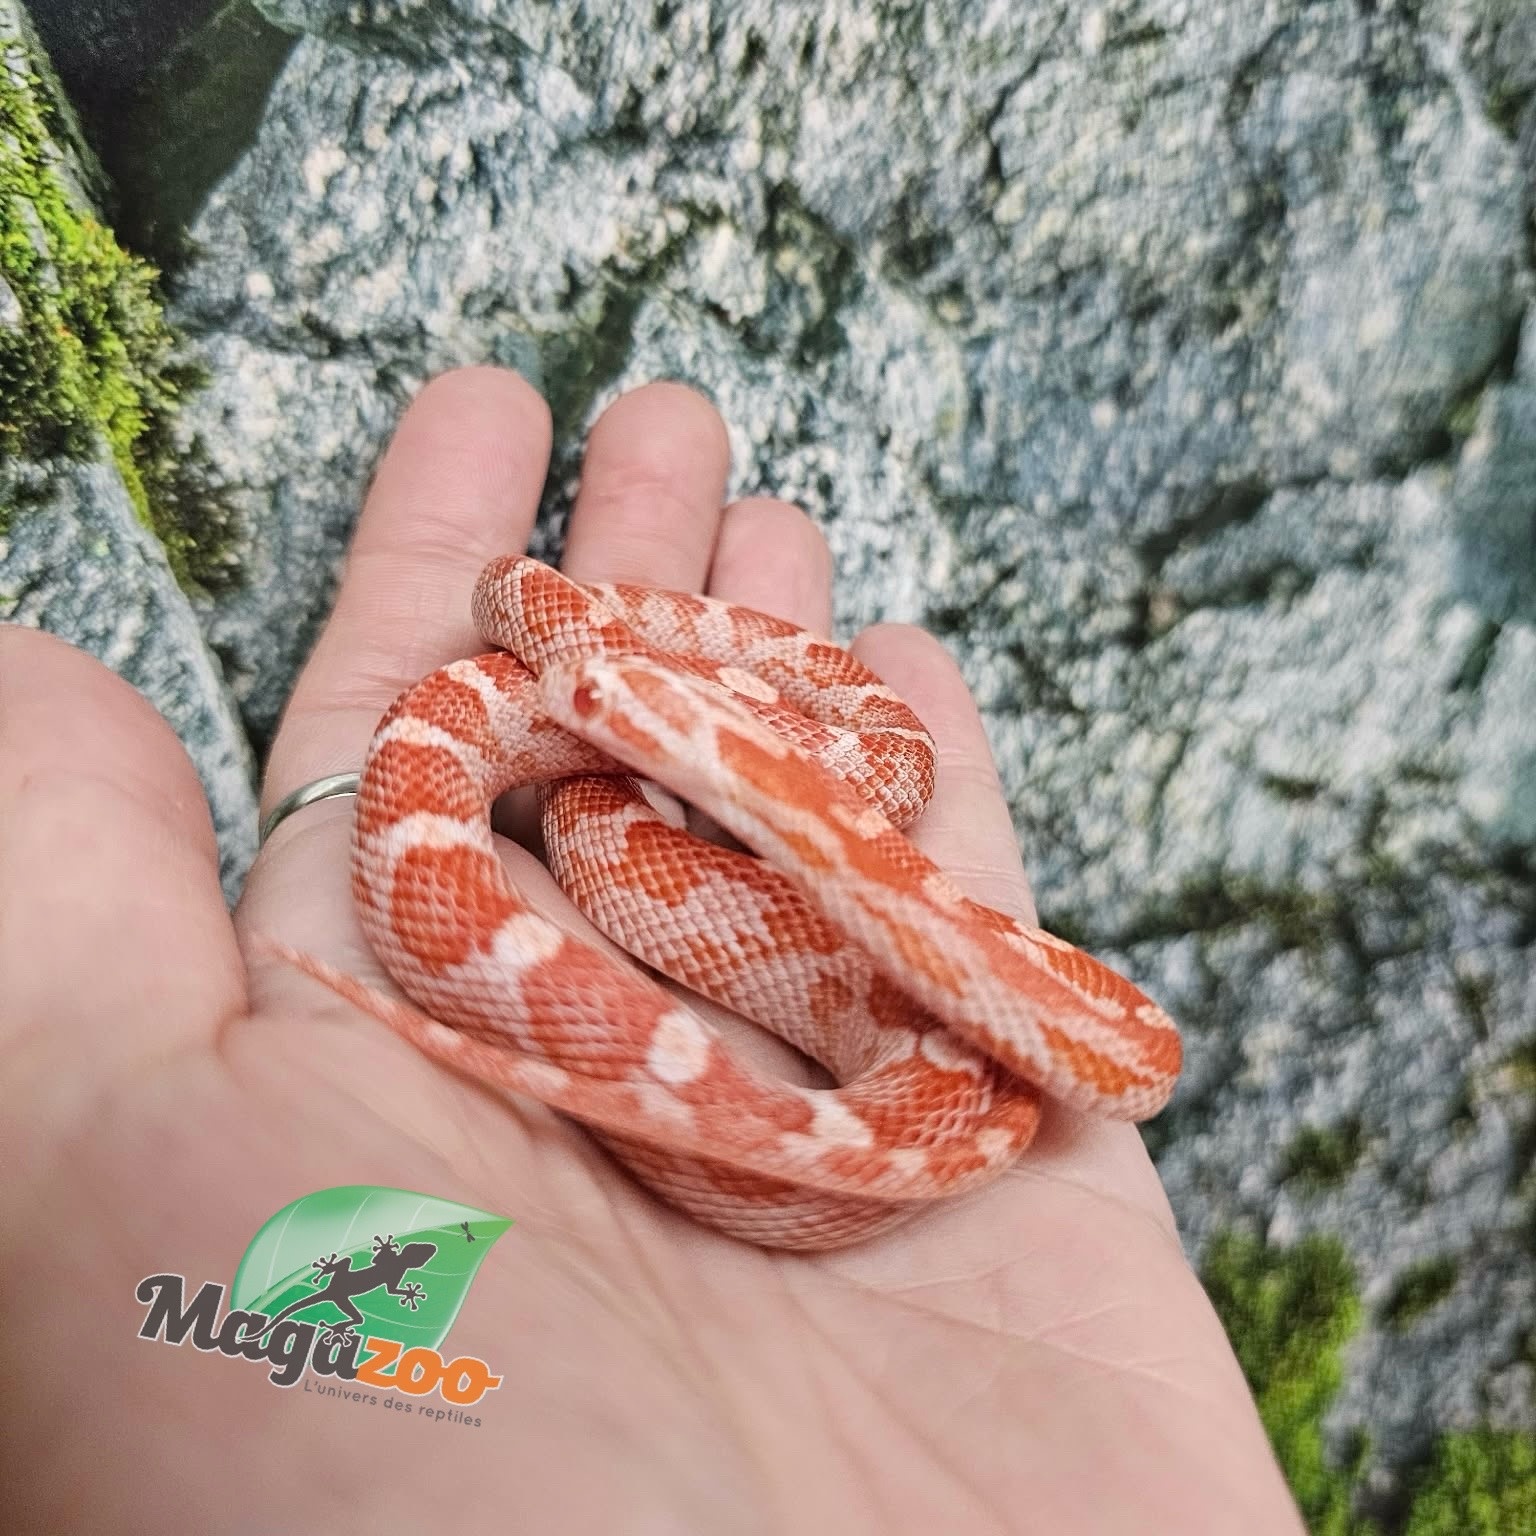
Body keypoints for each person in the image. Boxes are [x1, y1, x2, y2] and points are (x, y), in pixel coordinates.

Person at [0, 371, 1306, 1533]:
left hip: (819, 857)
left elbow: (1128, 1057)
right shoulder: (652, 775)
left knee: (805, 875)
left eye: (603, 698)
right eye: (581, 692)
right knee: (601, 797)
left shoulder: (852, 842)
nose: (571, 690)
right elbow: (570, 660)